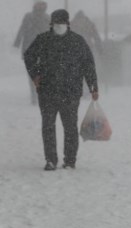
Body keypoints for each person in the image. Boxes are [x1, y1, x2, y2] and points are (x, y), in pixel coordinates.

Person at [24, 9, 99, 171]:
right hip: (47, 92)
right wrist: (35, 75)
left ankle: (70, 160)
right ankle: (51, 160)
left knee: (70, 127)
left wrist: (93, 86)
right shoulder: (43, 40)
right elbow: (28, 56)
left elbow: (88, 65)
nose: (59, 26)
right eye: (57, 24)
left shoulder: (77, 41)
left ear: (68, 24)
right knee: (48, 127)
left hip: (70, 93)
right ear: (51, 24)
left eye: (62, 24)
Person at [13, 1, 50, 105]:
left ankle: (38, 94)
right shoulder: (31, 17)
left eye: (42, 4)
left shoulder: (46, 17)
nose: (41, 6)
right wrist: (17, 43)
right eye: (39, 4)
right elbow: (22, 30)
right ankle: (35, 95)